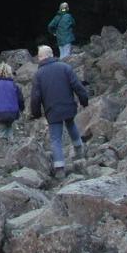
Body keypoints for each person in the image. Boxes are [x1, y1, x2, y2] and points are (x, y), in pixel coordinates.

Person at [30, 45, 88, 180]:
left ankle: (60, 168)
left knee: (56, 138)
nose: (38, 58)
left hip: (52, 110)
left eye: (39, 56)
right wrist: (84, 101)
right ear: (52, 54)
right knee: (70, 124)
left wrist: (36, 113)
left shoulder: (38, 74)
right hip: (68, 106)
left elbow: (35, 97)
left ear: (43, 56)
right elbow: (77, 86)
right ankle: (79, 150)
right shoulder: (65, 67)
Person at [0, 62, 24, 141]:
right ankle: (11, 147)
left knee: (1, 136)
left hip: (0, 114)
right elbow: (20, 99)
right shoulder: (14, 85)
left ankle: (3, 149)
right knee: (10, 134)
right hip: (12, 114)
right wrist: (21, 109)